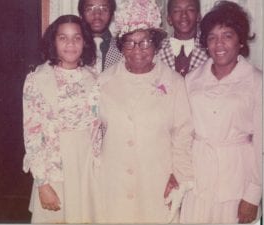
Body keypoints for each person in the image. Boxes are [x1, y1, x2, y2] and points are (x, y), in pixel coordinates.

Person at [94, 0, 194, 223]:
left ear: (156, 45)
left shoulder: (174, 83)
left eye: (145, 42)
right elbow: (93, 134)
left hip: (157, 181)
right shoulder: (104, 81)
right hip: (113, 182)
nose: (137, 50)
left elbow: (183, 134)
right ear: (121, 47)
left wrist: (178, 175)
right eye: (129, 43)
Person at [180, 1, 262, 223]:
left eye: (227, 35)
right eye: (212, 37)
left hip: (236, 182)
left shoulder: (256, 81)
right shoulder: (191, 79)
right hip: (196, 180)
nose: (219, 44)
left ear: (241, 40)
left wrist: (253, 195)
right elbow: (183, 133)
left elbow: (262, 142)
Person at [22, 15, 100, 223]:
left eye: (77, 38)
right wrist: (43, 184)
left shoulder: (94, 79)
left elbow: (99, 130)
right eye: (63, 38)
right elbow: (32, 136)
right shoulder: (37, 79)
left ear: (85, 42)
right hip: (54, 168)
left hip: (86, 167)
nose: (70, 44)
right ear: (53, 42)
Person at [159, 0, 208, 76]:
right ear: (169, 19)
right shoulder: (158, 50)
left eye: (190, 9)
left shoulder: (209, 48)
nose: (184, 15)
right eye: (177, 11)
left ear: (198, 16)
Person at [78, 0, 123, 73]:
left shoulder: (123, 48)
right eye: (90, 9)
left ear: (112, 15)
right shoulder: (72, 48)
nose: (97, 15)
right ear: (81, 15)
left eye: (104, 9)